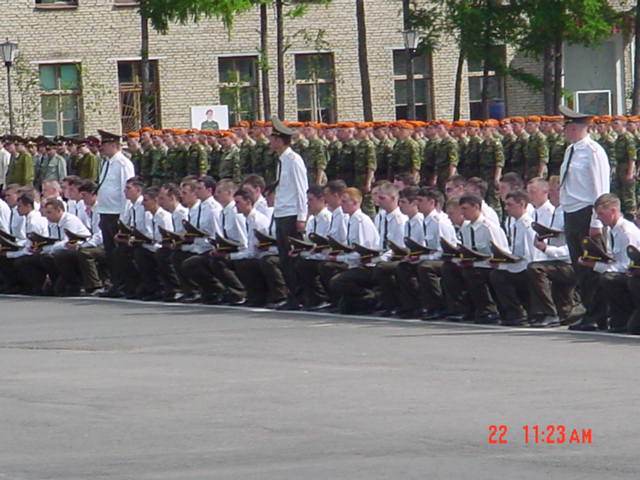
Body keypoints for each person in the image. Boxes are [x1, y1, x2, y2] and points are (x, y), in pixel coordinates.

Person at [557, 106, 611, 330]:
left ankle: (598, 315)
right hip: (571, 212)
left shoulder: (593, 151)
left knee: (592, 268)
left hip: (587, 212)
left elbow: (601, 188)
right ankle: (589, 310)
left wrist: (597, 221)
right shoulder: (571, 150)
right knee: (579, 267)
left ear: (576, 128)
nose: (564, 131)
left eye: (567, 127)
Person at [440, 194, 509, 323]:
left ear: (476, 207)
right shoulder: (466, 228)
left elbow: (501, 252)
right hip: (474, 264)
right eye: (461, 209)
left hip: (489, 265)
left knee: (473, 273)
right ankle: (462, 308)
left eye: (465, 208)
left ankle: (489, 310)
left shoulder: (489, 227)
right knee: (449, 269)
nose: (462, 212)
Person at [576, 193, 640, 332]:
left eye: (601, 214)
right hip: (625, 273)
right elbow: (614, 259)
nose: (598, 218)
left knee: (607, 279)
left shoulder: (626, 232)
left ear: (613, 211)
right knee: (598, 277)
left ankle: (620, 317)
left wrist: (596, 265)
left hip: (632, 276)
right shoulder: (612, 230)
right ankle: (600, 318)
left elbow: (625, 266)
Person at [270, 116, 309, 310]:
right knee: (284, 258)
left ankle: (299, 297)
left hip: (292, 213)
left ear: (279, 140)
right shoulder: (281, 160)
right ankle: (292, 295)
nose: (270, 142)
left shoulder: (294, 160)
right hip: (281, 212)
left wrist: (302, 217)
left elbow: (302, 189)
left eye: (272, 138)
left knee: (293, 258)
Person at [95, 130, 136, 296]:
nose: (102, 147)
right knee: (110, 252)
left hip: (116, 212)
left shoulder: (123, 163)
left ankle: (123, 285)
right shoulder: (107, 162)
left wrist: (124, 217)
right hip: (105, 211)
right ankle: (114, 283)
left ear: (113, 145)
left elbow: (126, 191)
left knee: (118, 253)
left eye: (104, 144)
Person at [489, 190, 536, 326]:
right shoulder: (514, 223)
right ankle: (512, 312)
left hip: (526, 267)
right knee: (496, 274)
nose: (506, 208)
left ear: (521, 204)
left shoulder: (528, 225)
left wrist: (507, 264)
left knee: (503, 276)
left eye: (510, 205)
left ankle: (520, 312)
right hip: (516, 264)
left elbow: (530, 256)